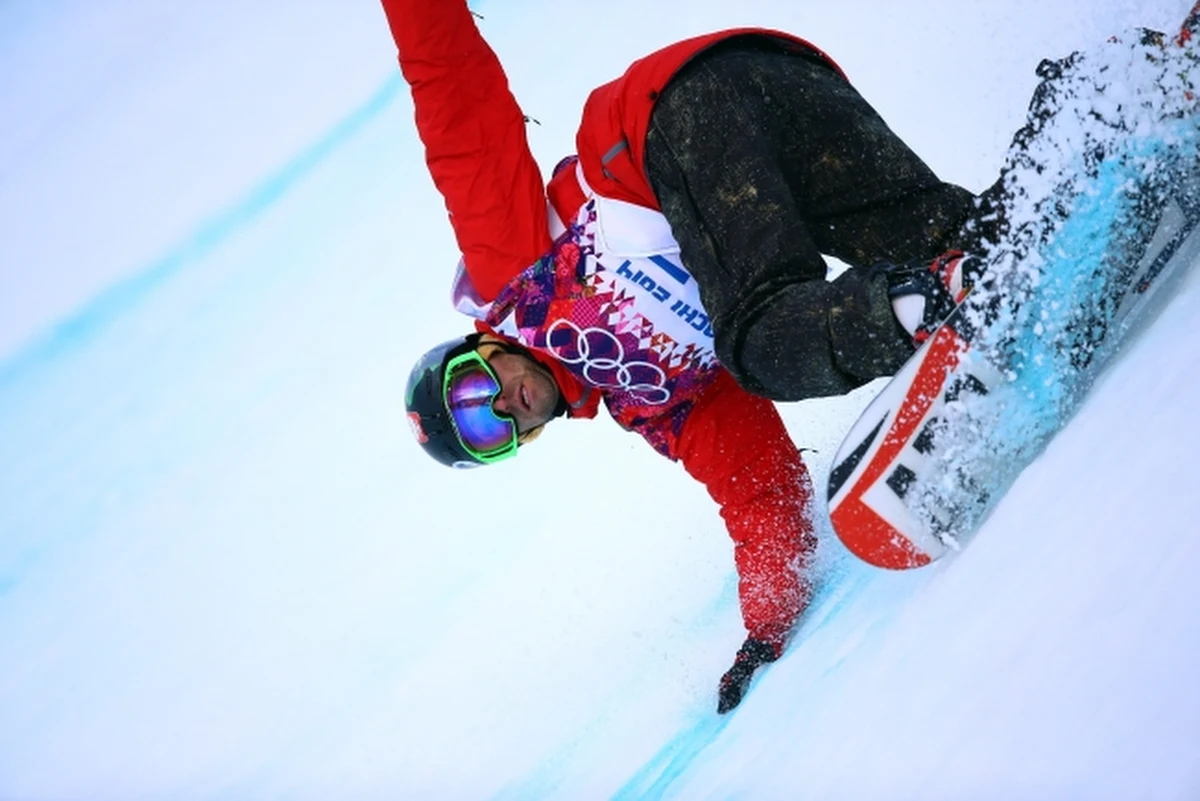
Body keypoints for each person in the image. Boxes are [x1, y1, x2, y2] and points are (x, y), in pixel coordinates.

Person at [387, 0, 1194, 712]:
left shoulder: (513, 265)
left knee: (762, 343)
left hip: (684, 120)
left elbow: (452, 100)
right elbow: (760, 491)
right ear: (519, 446)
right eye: (486, 433)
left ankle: (936, 291)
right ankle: (1120, 99)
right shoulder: (661, 402)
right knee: (982, 244)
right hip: (783, 95)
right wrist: (765, 627)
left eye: (472, 392)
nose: (500, 407)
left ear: (481, 346)